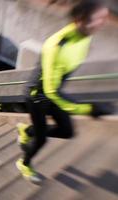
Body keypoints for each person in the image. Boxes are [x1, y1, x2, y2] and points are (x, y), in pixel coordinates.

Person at [16, 0, 112, 183]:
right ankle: (24, 162)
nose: (101, 23)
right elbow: (50, 90)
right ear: (79, 20)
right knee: (42, 138)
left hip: (54, 92)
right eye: (96, 19)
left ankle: (27, 130)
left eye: (103, 18)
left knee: (67, 131)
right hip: (39, 95)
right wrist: (88, 109)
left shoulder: (85, 36)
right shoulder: (55, 45)